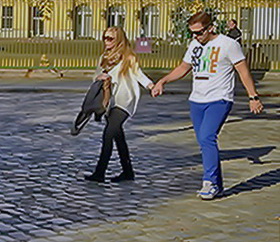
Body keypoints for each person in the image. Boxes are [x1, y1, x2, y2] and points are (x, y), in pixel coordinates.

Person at [152, 11, 265, 200]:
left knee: (207, 137)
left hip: (219, 99)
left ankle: (209, 182)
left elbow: (243, 72)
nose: (196, 36)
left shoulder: (229, 45)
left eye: (199, 32)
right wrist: (162, 81)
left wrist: (253, 97)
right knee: (204, 142)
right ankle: (217, 185)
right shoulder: (194, 44)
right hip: (197, 99)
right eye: (192, 33)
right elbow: (183, 67)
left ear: (210, 28)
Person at [83, 26, 153, 183]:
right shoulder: (104, 57)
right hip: (109, 102)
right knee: (118, 136)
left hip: (125, 100)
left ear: (119, 39)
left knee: (108, 134)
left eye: (110, 38)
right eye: (104, 38)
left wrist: (151, 86)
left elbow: (139, 74)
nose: (106, 41)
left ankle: (99, 172)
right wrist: (99, 77)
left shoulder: (128, 57)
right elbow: (95, 76)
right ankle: (128, 172)